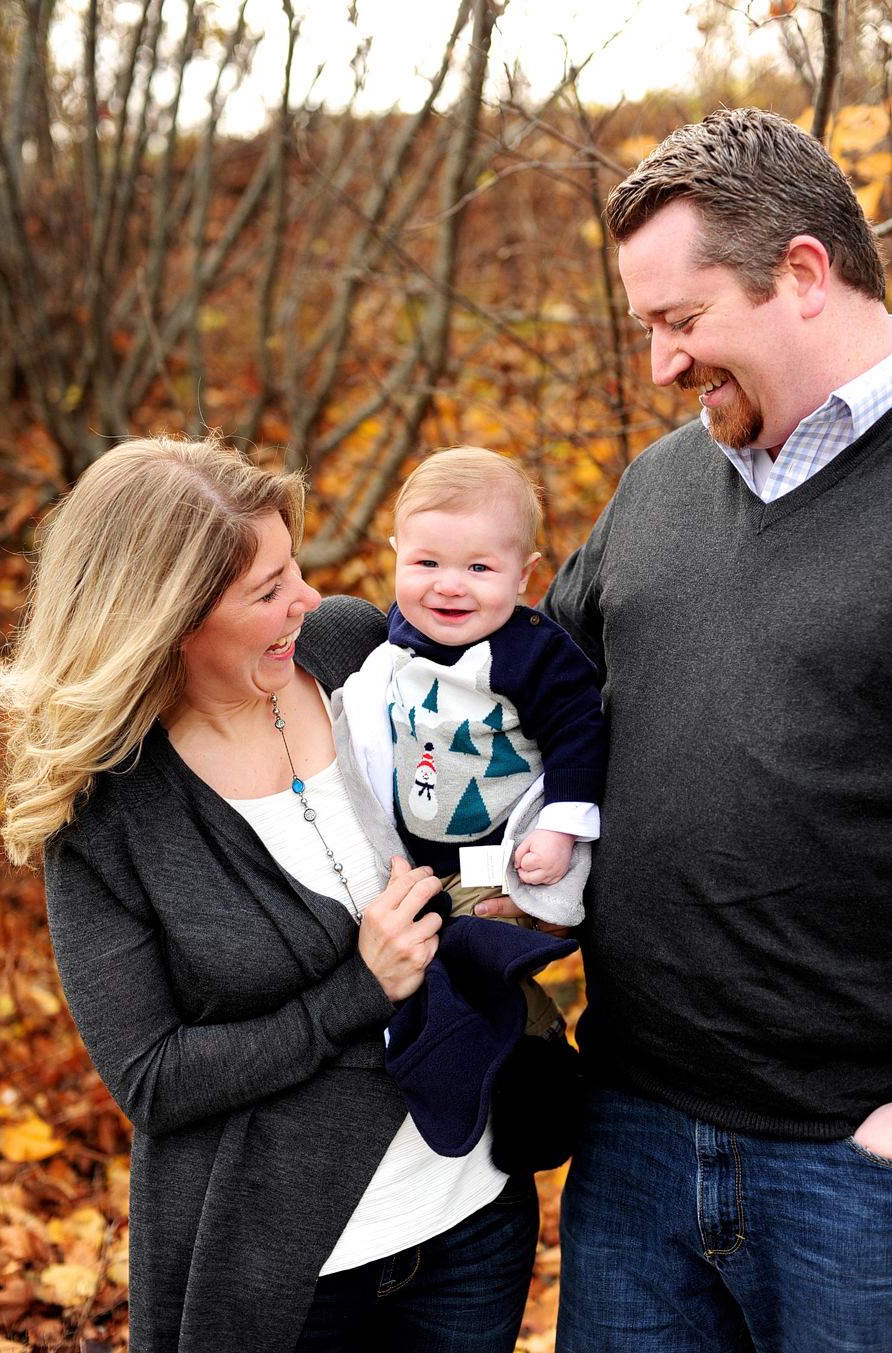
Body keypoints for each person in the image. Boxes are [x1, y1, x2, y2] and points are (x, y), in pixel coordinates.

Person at [0, 436, 540, 1353]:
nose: (308, 599)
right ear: (168, 621)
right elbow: (153, 1075)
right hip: (286, 1269)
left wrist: (498, 886)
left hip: (472, 1217)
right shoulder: (110, 810)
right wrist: (359, 991)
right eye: (268, 591)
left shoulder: (356, 648)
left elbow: (485, 778)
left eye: (294, 567)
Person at [531, 107, 892, 1352]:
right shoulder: (660, 485)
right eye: (646, 330)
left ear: (801, 273)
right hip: (630, 1133)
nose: (663, 367)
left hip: (855, 1168)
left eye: (682, 324)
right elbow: (530, 693)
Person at [334, 447, 605, 1047]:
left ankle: (529, 1039)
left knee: (467, 954)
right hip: (418, 854)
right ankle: (446, 1045)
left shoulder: (531, 654)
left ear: (525, 575)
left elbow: (579, 733)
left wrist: (560, 828)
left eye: (479, 569)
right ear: (396, 556)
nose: (449, 587)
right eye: (427, 562)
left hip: (502, 854)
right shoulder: (398, 639)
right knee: (415, 955)